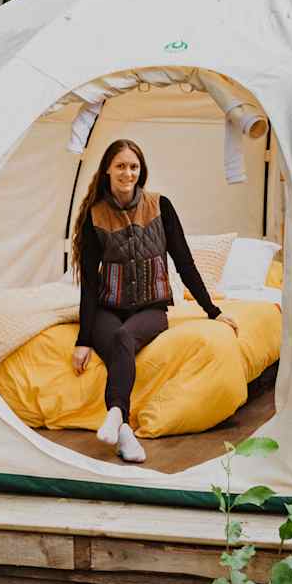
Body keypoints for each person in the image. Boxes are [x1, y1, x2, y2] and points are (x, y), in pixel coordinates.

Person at [69, 139, 238, 462]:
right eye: (120, 166)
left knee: (123, 338)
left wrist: (212, 311)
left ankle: (116, 416)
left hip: (152, 308)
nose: (127, 172)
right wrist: (83, 339)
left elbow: (184, 262)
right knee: (116, 338)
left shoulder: (161, 206)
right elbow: (90, 284)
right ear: (107, 169)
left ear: (141, 170)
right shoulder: (95, 215)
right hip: (107, 307)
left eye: (133, 166)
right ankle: (123, 430)